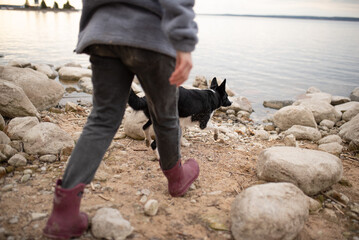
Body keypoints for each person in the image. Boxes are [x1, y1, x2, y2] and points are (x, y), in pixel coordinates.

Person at [43, 0, 199, 239]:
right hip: (152, 35)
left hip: (103, 32)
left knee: (102, 119)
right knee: (166, 117)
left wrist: (95, 25)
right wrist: (184, 42)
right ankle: (176, 178)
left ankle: (63, 214)